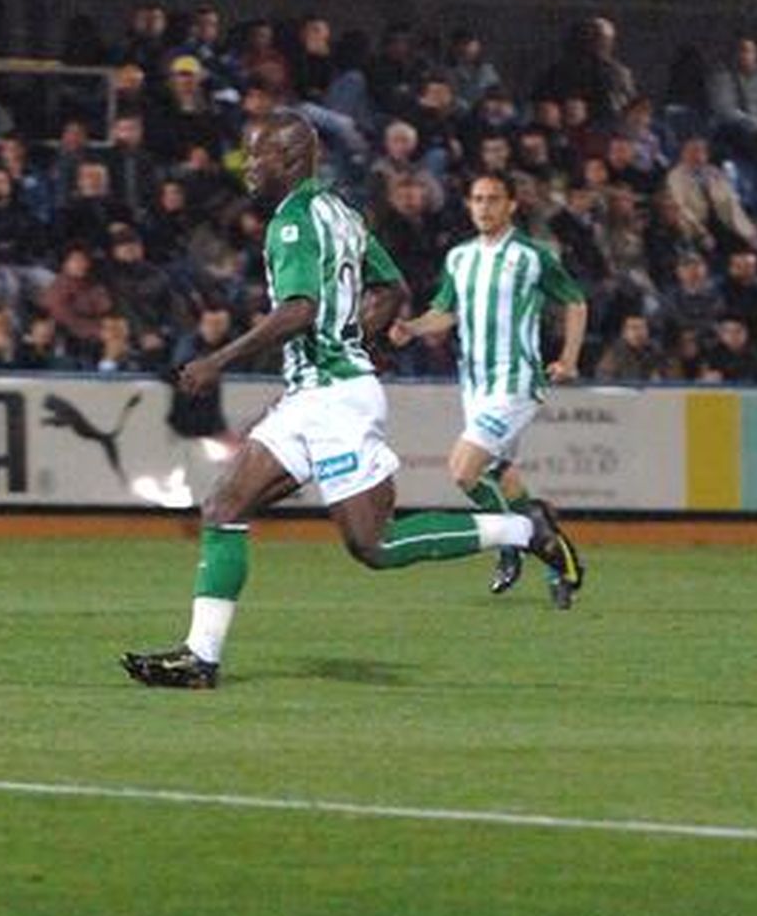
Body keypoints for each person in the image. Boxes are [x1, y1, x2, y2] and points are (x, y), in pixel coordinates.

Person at [121, 112, 582, 689]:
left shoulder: (291, 221)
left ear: (289, 158)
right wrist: (357, 335)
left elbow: (299, 310)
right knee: (224, 508)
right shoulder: (341, 212)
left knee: (374, 545)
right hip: (314, 394)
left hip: (333, 401)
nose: (248, 166)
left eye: (257, 154)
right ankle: (200, 658)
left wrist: (218, 360)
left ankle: (523, 531)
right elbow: (392, 287)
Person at [392, 172, 589, 608]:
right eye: (477, 199)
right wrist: (411, 327)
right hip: (476, 385)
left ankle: (509, 540)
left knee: (463, 470)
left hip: (515, 381)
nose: (484, 207)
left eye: (493, 199)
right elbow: (445, 312)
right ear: (468, 204)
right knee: (502, 476)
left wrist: (570, 357)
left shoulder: (532, 256)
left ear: (512, 205)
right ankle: (563, 564)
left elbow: (575, 300)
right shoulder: (460, 257)